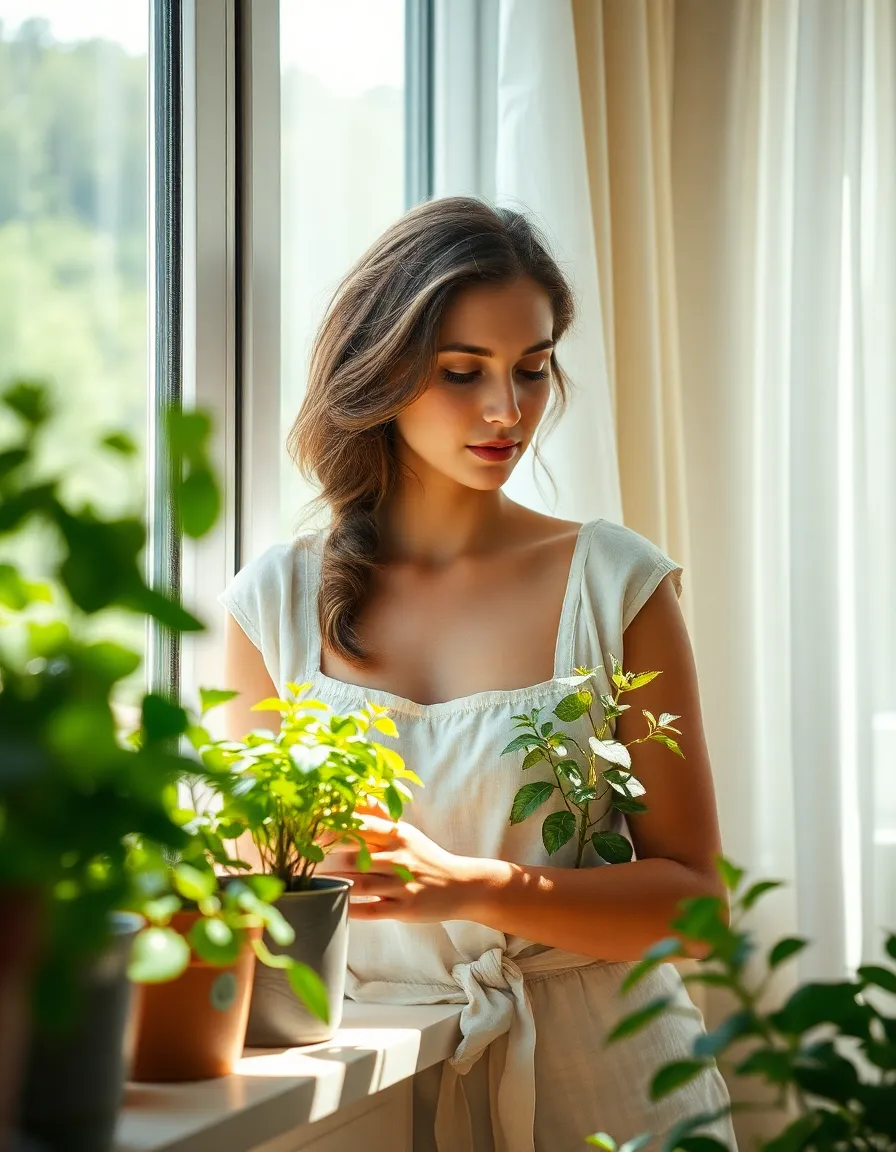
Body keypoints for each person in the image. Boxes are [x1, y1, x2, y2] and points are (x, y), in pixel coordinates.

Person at [219, 196, 737, 1152]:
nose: (509, 411)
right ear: (380, 373)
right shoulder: (275, 604)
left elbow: (698, 907)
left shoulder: (612, 581)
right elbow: (257, 900)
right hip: (361, 1086)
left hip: (604, 1079)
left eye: (532, 370)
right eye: (464, 373)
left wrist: (472, 885)